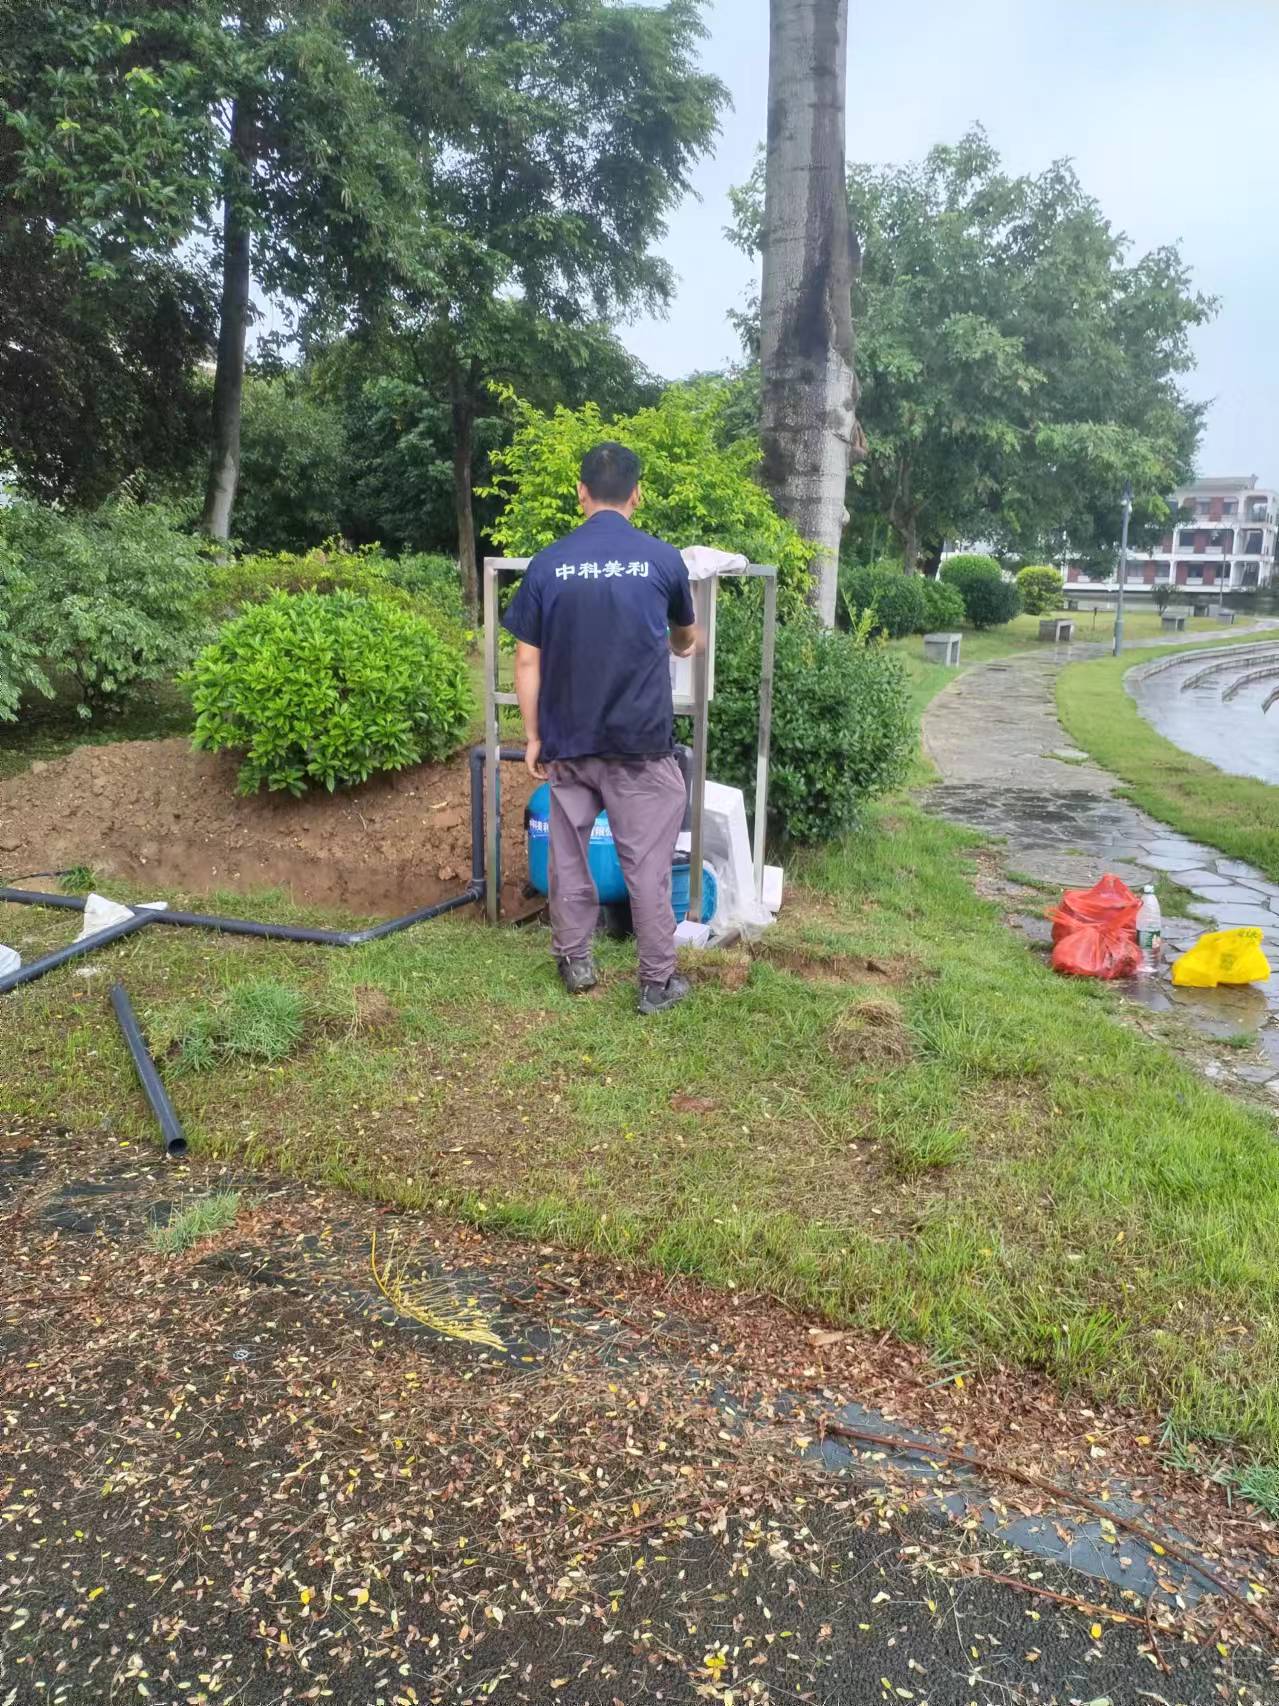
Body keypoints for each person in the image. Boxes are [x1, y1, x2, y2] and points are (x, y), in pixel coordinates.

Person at [502, 442, 701, 1014]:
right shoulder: (662, 560)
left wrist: (534, 736)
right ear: (637, 494)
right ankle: (656, 982)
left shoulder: (548, 564)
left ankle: (575, 960)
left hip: (568, 739)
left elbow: (527, 659)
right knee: (647, 865)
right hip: (640, 743)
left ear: (581, 492)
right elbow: (685, 637)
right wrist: (683, 643)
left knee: (568, 854)